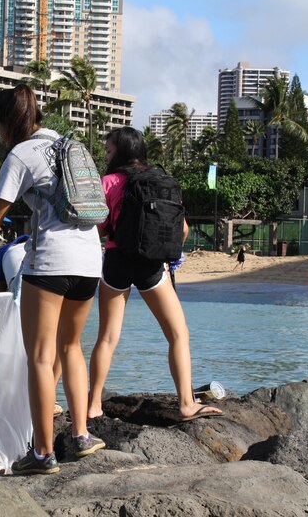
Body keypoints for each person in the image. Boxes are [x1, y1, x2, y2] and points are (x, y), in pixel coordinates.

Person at [0, 84, 105, 476]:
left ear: (5, 123)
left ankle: (42, 454)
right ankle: (82, 436)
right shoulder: (69, 144)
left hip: (50, 262)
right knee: (71, 347)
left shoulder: (21, 154)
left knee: (40, 355)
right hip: (90, 261)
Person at [87, 127, 223, 423]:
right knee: (178, 334)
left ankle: (93, 406)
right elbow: (183, 229)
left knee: (107, 337)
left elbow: (99, 226)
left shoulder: (107, 182)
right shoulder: (162, 182)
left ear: (121, 151)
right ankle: (186, 404)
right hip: (152, 266)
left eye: (109, 150)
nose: (106, 155)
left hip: (116, 260)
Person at [0, 234, 64, 416]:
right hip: (15, 260)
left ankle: (46, 394)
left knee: (57, 336)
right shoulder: (7, 258)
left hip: (46, 259)